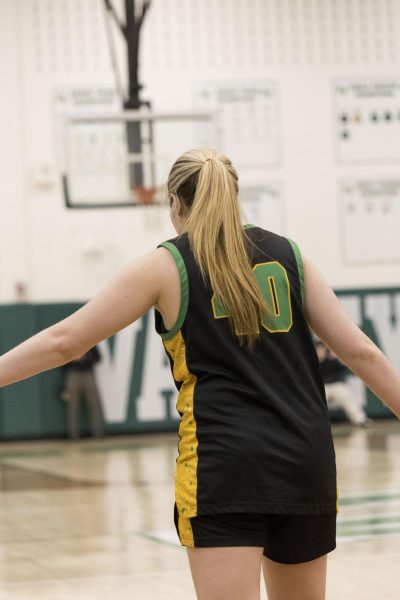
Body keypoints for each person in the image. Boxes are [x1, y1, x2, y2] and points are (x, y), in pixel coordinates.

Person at [0, 148, 398, 600]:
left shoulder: (167, 264)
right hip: (304, 462)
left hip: (224, 466)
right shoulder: (291, 256)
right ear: (234, 195)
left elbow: (66, 341)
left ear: (174, 203)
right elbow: (361, 352)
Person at [315, 340, 373, 427]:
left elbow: (343, 367)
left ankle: (361, 420)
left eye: (322, 349)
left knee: (347, 396)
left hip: (336, 385)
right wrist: (318, 360)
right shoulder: (311, 361)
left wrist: (334, 358)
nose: (320, 351)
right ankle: (311, 423)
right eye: (318, 349)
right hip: (322, 387)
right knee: (315, 401)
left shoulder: (332, 360)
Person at [61, 345, 103, 439]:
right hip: (73, 374)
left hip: (88, 373)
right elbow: (61, 362)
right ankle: (73, 435)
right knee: (73, 406)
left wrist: (86, 358)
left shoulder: (91, 342)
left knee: (94, 404)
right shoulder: (69, 342)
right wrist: (73, 360)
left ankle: (98, 434)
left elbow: (98, 358)